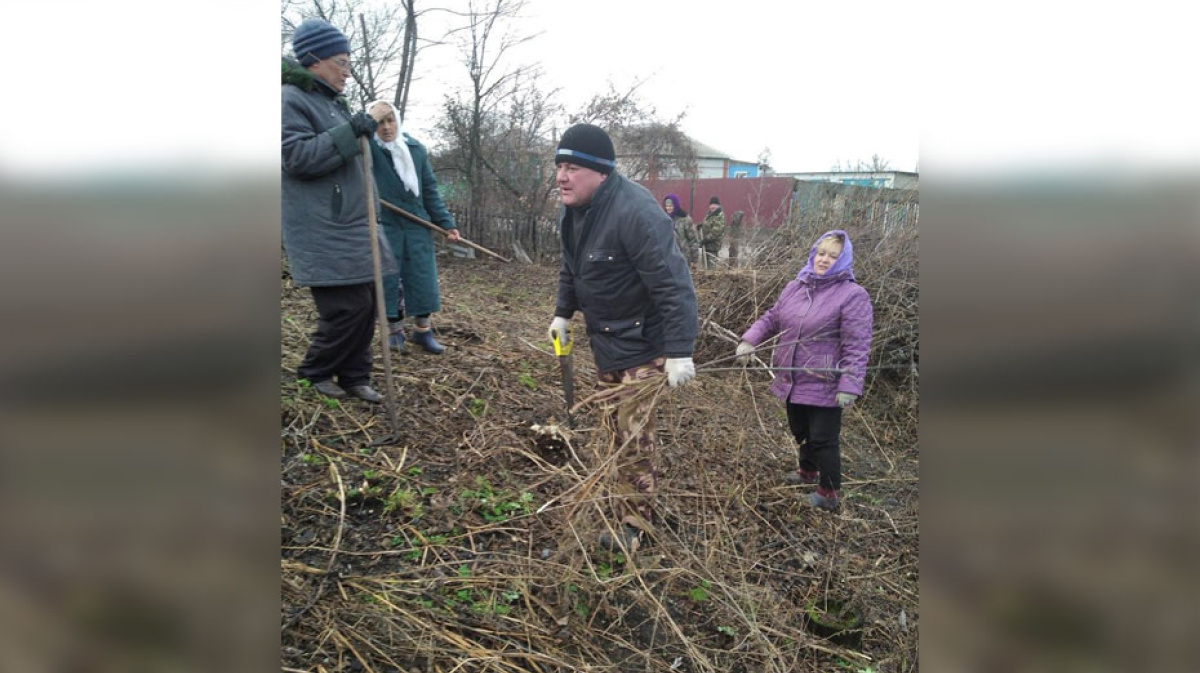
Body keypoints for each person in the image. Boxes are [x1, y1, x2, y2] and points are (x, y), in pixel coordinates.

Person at [547, 123, 698, 551]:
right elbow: (571, 268)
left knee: (634, 438)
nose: (561, 176)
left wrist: (680, 351)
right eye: (558, 165)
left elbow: (674, 285)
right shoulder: (573, 210)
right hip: (606, 342)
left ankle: (635, 527)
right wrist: (562, 313)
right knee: (614, 431)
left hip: (644, 347)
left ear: (600, 171)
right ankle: (622, 498)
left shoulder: (638, 213)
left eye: (571, 167)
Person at [282, 18, 393, 404]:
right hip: (323, 228)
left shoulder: (331, 104)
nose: (347, 73)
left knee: (368, 304)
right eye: (341, 63)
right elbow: (296, 157)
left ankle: (354, 375)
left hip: (353, 225)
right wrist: (353, 131)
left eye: (348, 64)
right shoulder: (289, 99)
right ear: (314, 59)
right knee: (347, 309)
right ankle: (313, 372)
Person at [734, 230, 873, 511]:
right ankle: (807, 472)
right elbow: (773, 316)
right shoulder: (796, 286)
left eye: (833, 256)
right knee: (800, 430)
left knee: (823, 438)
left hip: (825, 381)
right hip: (792, 376)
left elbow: (857, 343)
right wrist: (750, 339)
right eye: (821, 253)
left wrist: (850, 384)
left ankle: (828, 493)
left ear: (843, 260)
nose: (824, 260)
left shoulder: (852, 295)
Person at [365, 99, 461, 355]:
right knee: (389, 279)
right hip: (386, 223)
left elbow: (429, 189)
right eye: (379, 123)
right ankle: (394, 331)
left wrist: (446, 223)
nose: (385, 128)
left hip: (417, 223)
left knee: (421, 277)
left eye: (389, 120)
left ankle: (423, 331)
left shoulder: (415, 149)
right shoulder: (368, 150)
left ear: (397, 120)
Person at [663, 193, 697, 263]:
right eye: (667, 206)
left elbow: (693, 240)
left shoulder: (685, 219)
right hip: (668, 257)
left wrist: (694, 258)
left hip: (683, 257)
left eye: (671, 206)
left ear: (675, 205)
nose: (668, 208)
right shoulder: (664, 219)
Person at [699, 195, 727, 268]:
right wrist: (701, 225)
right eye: (711, 205)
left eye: (714, 205)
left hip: (713, 247)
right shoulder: (709, 214)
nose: (712, 207)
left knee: (711, 269)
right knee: (705, 267)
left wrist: (706, 239)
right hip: (706, 246)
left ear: (718, 205)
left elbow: (716, 232)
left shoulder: (720, 216)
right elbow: (708, 224)